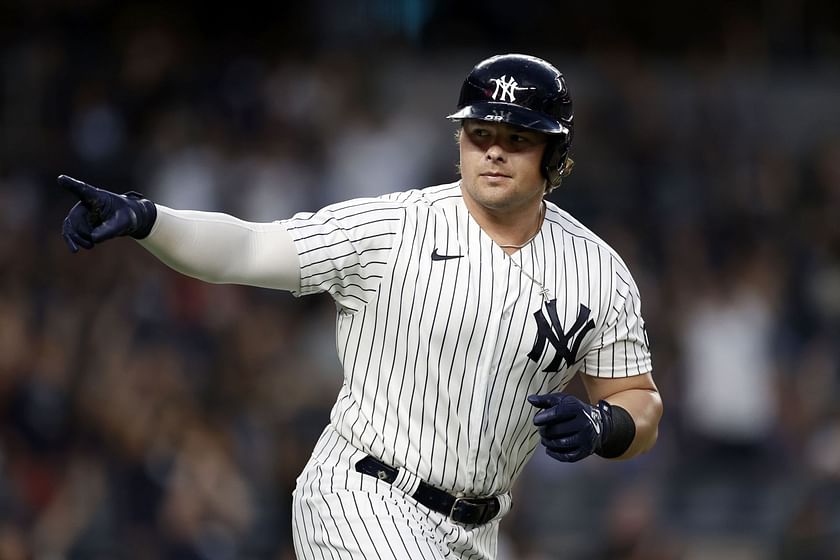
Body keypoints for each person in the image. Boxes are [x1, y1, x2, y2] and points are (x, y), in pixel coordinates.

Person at [59, 53, 663, 560]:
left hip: (477, 530)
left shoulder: (598, 272)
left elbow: (639, 399)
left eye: (517, 138)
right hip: (363, 494)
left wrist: (602, 424)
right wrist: (149, 219)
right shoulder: (391, 227)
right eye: (480, 133)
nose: (494, 152)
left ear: (554, 156)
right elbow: (246, 246)